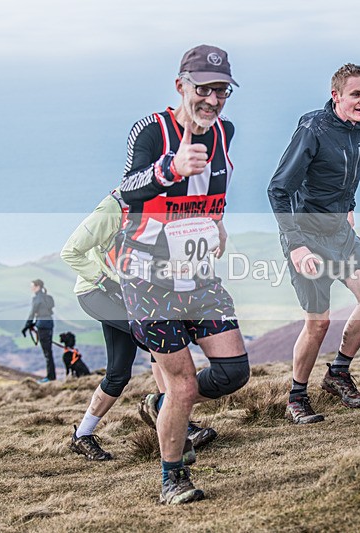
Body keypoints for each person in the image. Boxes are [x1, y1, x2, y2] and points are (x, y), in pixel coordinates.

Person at [118, 44, 250, 505]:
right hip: (147, 276)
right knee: (185, 384)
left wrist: (218, 224)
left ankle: (162, 406)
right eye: (204, 89)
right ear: (181, 86)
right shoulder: (151, 129)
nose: (213, 100)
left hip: (197, 273)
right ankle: (172, 478)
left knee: (234, 372)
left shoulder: (224, 133)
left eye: (222, 91)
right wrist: (168, 169)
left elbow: (213, 194)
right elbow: (126, 190)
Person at [267, 63, 360, 424]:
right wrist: (296, 244)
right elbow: (278, 189)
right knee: (318, 323)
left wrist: (349, 208)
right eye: (355, 94)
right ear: (336, 96)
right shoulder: (313, 129)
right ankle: (297, 397)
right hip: (306, 235)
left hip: (339, 232)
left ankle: (338, 373)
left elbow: (349, 175)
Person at [60, 189, 217, 462]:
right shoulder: (111, 209)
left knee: (119, 373)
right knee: (156, 338)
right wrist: (104, 281)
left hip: (124, 291)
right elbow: (70, 252)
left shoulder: (155, 206)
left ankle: (82, 436)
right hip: (95, 292)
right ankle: (170, 414)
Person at [21, 279, 56, 383]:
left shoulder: (36, 299)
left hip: (42, 325)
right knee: (49, 351)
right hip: (49, 323)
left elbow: (32, 313)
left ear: (38, 286)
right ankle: (51, 376)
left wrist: (26, 326)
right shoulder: (49, 298)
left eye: (32, 286)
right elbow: (49, 309)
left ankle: (50, 377)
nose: (31, 288)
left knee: (47, 353)